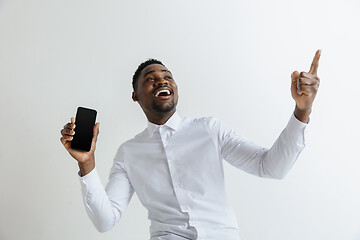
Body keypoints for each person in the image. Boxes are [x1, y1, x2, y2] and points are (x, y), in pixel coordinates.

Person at [60, 50, 321, 240]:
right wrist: (87, 163)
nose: (162, 80)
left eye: (168, 76)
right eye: (151, 78)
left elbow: (271, 168)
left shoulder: (210, 129)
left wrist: (302, 111)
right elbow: (105, 221)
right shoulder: (128, 153)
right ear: (135, 95)